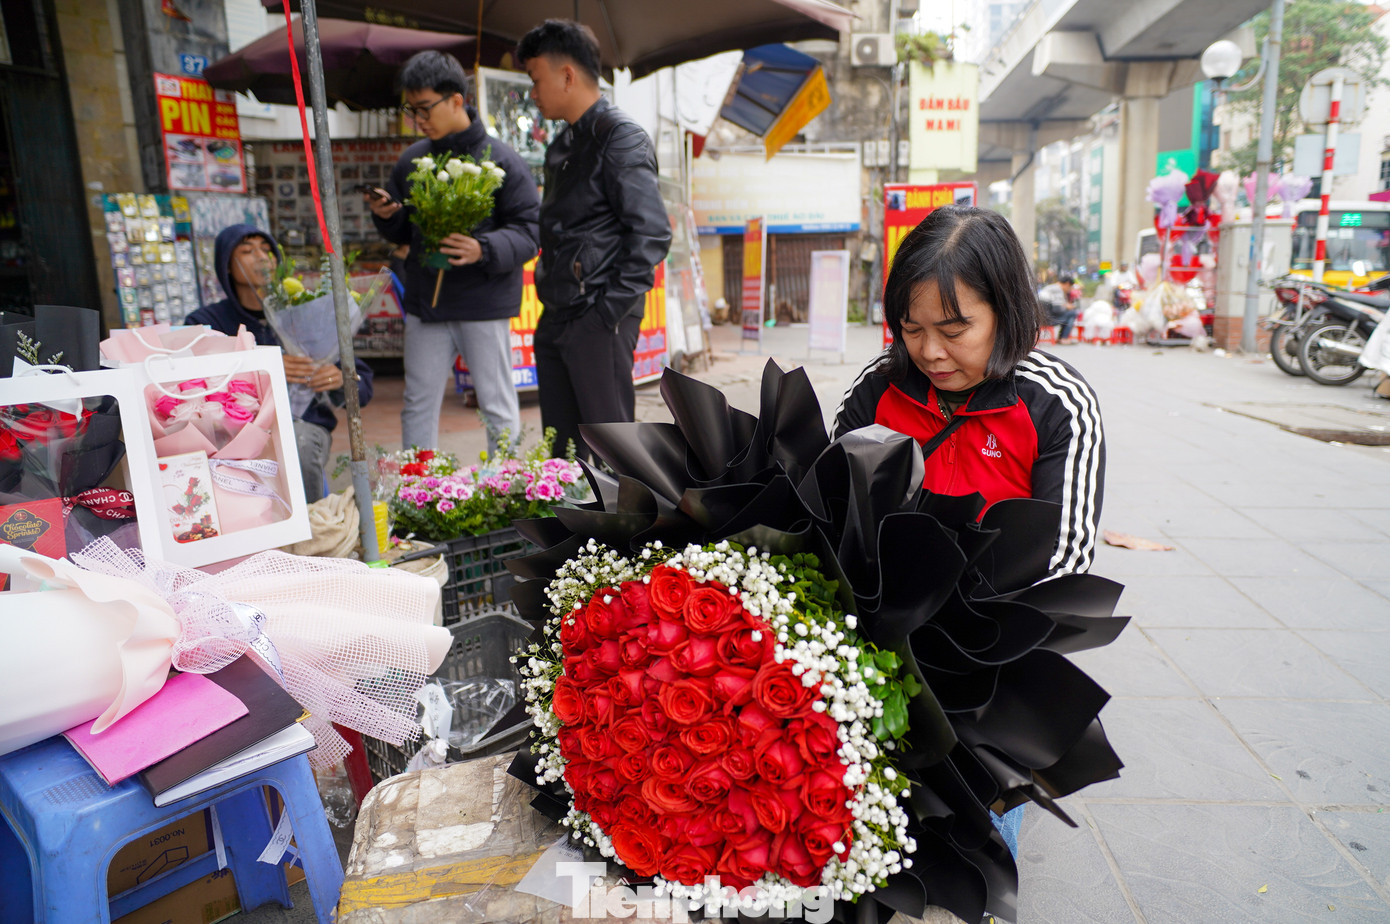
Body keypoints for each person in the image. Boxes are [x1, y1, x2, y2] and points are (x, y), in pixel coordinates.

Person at [833, 206, 1104, 581]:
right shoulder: (876, 387)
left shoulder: (1058, 403)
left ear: (1005, 311)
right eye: (912, 329)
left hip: (1000, 620)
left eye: (953, 332)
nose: (930, 352)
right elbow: (832, 508)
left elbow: (1063, 556)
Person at [515, 20, 671, 461]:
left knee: (612, 449)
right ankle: (571, 530)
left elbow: (652, 232)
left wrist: (605, 313)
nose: (533, 92)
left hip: (599, 316)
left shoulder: (619, 136)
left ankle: (629, 531)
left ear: (567, 75)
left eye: (535, 79)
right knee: (561, 451)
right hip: (559, 311)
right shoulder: (562, 144)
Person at [367, 51, 539, 453]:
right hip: (427, 301)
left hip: (484, 302)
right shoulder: (411, 161)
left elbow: (530, 232)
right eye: (412, 110)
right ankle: (417, 490)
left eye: (425, 108)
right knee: (418, 403)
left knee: (495, 404)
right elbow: (403, 229)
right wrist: (388, 216)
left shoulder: (503, 161)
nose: (418, 119)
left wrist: (484, 247)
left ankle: (509, 489)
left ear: (457, 100)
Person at [185, 225, 373, 503]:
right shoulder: (205, 322)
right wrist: (267, 368)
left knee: (300, 443)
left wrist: (341, 378)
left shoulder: (306, 312)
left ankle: (311, 532)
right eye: (247, 251)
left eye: (267, 250)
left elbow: (364, 388)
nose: (261, 257)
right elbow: (193, 385)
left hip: (303, 425)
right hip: (232, 432)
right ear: (226, 265)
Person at [1037, 272, 1080, 342]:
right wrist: (1067, 307)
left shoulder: (1050, 287)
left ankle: (1062, 338)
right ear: (1067, 284)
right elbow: (1057, 309)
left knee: (1070, 315)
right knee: (1073, 313)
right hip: (1047, 319)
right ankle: (1063, 338)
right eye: (1070, 287)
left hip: (1040, 317)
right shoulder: (1057, 290)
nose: (1070, 290)